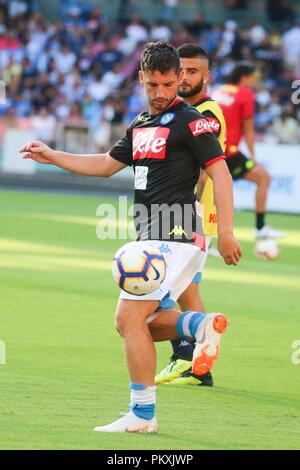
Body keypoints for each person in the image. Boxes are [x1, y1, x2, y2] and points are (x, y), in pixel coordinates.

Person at [20, 41, 242, 433]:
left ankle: (142, 415)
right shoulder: (140, 124)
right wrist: (53, 155)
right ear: (141, 78)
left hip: (173, 233)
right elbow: (107, 164)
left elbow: (220, 173)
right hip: (154, 235)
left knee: (127, 317)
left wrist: (226, 231)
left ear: (179, 80)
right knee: (137, 323)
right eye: (153, 84)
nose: (161, 93)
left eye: (169, 84)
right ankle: (196, 326)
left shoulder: (191, 121)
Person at [154, 43, 228, 387]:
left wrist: (186, 210)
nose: (184, 78)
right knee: (186, 290)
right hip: (193, 215)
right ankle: (199, 363)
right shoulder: (182, 111)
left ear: (206, 76)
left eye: (193, 72)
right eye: (180, 71)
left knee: (161, 285)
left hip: (191, 213)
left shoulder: (206, 113)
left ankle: (185, 356)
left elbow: (201, 168)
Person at [212, 62, 284, 240]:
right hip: (229, 152)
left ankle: (207, 240)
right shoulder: (245, 94)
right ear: (245, 77)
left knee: (210, 193)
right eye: (253, 78)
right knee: (263, 178)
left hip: (211, 149)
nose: (255, 81)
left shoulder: (218, 91)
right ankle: (260, 228)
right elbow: (249, 128)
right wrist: (253, 156)